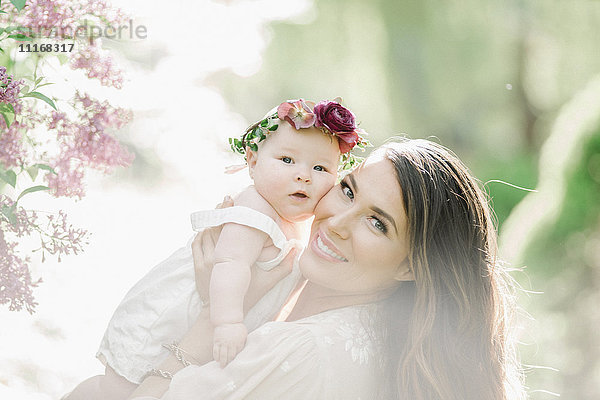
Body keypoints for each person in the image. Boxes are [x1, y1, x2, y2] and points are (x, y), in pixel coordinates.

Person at [120, 138, 525, 400]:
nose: (336, 222)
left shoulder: (303, 350)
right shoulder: (392, 342)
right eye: (347, 190)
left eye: (377, 223)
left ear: (411, 267)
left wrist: (214, 315)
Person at [64, 99, 369, 399]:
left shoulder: (293, 221)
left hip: (196, 328)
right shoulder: (256, 209)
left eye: (320, 168)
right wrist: (227, 323)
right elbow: (229, 263)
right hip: (170, 320)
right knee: (117, 390)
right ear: (252, 161)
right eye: (287, 161)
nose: (303, 175)